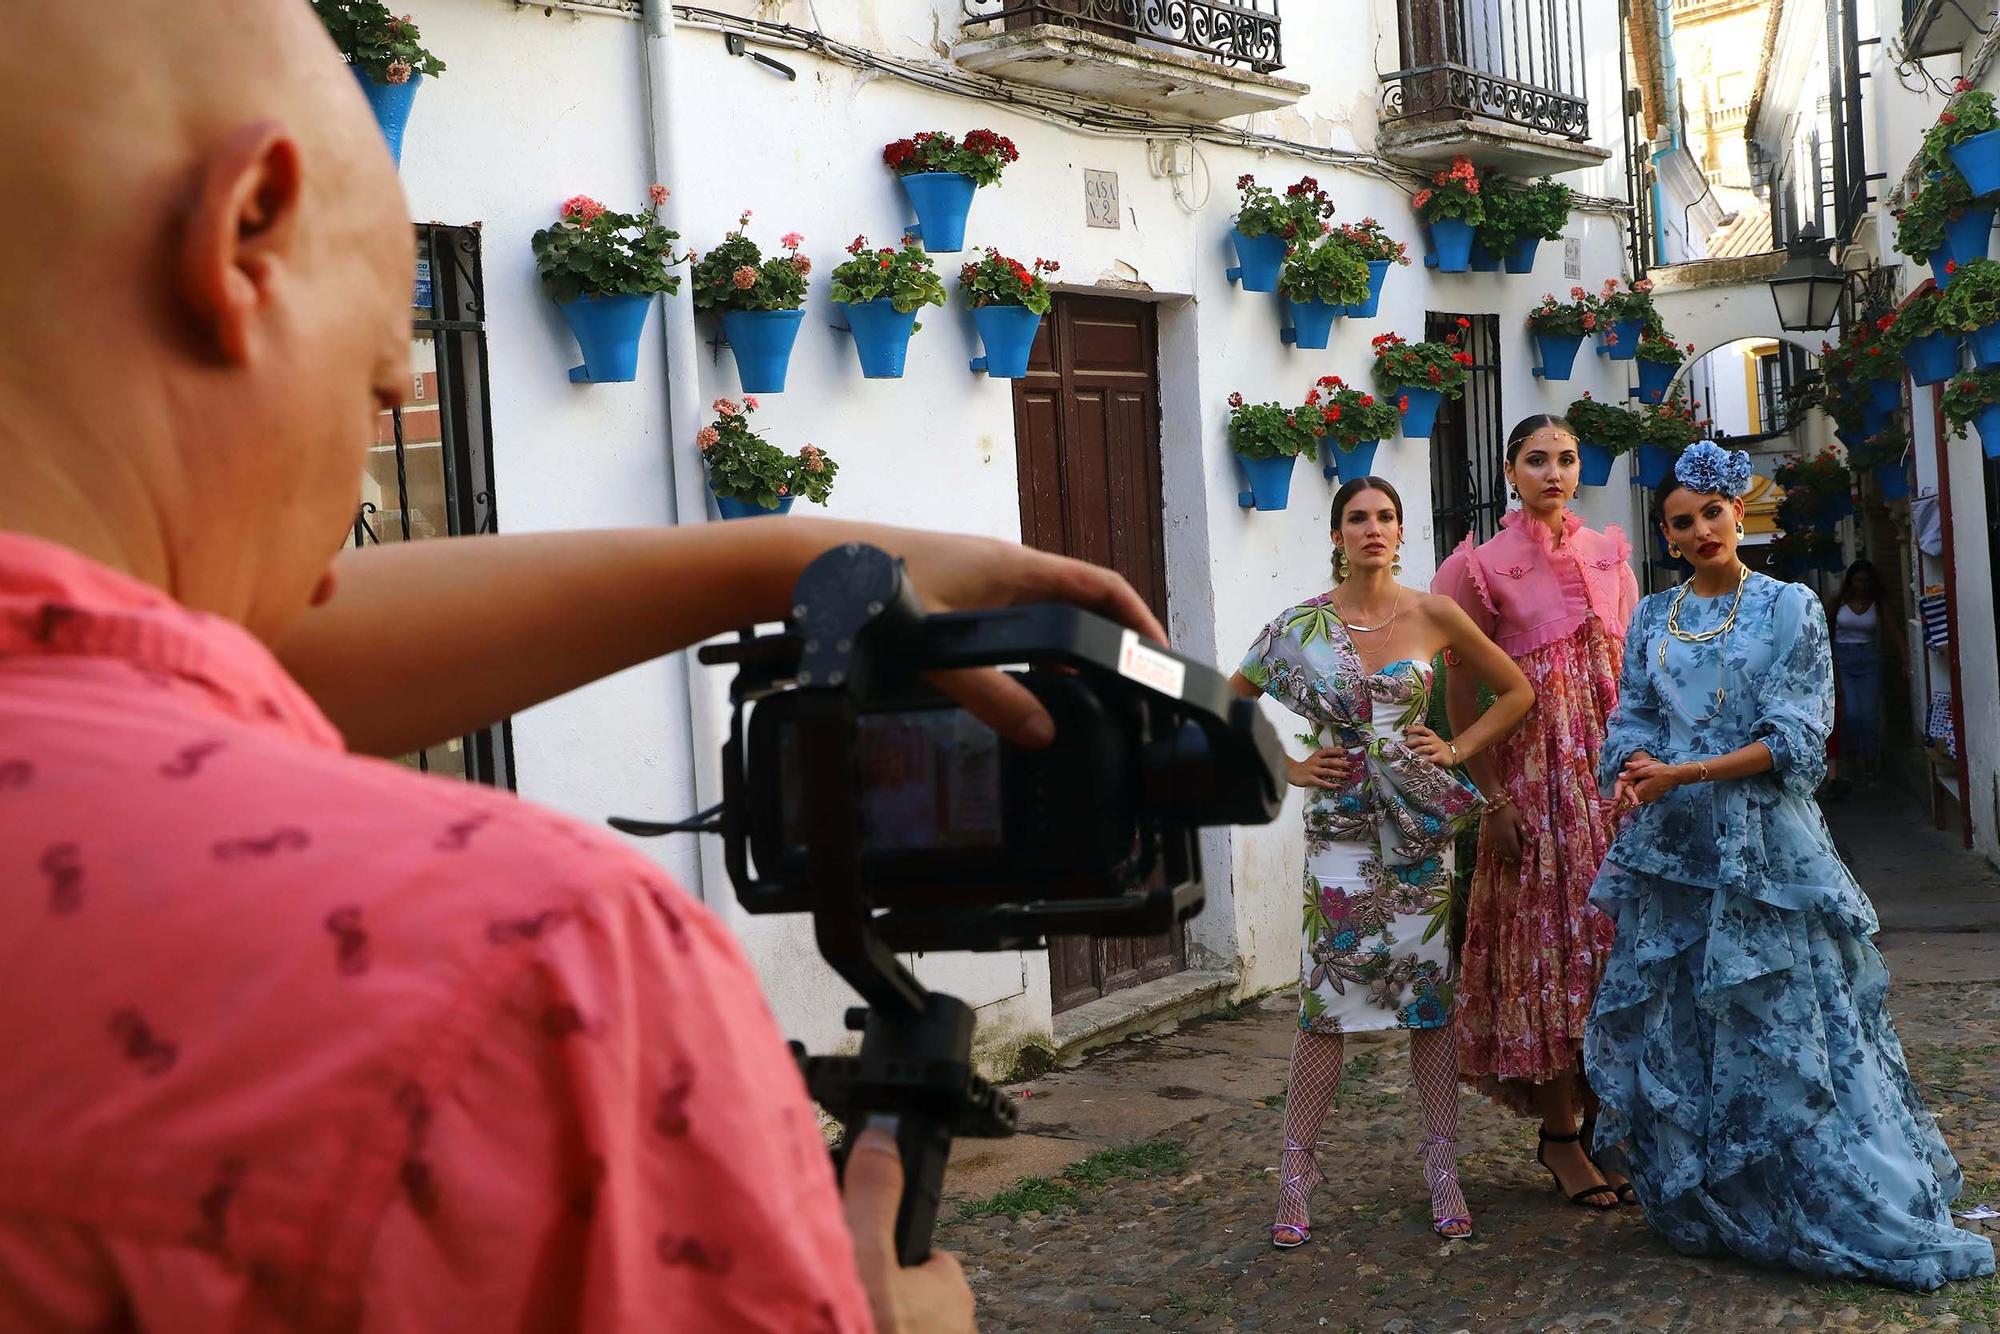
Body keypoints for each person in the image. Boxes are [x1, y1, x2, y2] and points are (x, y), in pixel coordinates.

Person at [0, 4, 1172, 1329]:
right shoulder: (526, 974)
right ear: (247, 233)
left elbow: (180, 660)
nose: (354, 470)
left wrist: (781, 557)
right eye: (385, 387)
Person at [1584, 443, 1995, 1291]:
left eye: (1709, 513)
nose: (1698, 530)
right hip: (1674, 852)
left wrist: (1685, 771)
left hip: (1765, 850)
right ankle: (1718, 1195)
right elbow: (1632, 712)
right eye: (1679, 521)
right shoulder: (1653, 617)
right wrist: (1630, 766)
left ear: (1740, 512)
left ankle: (1812, 1191)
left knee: (1783, 1022)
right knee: (1688, 1017)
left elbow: (1797, 739)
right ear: (1664, 535)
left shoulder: (1790, 607)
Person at [1233, 478, 1535, 1248]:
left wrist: (1459, 749)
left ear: (1402, 533)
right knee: (1323, 1008)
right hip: (1339, 834)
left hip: (1420, 835)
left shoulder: (1433, 612)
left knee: (1427, 1006)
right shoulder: (1299, 626)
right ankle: (1296, 1173)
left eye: (1386, 517)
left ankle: (1443, 1168)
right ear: (1336, 534)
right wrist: (1290, 767)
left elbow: (1515, 690)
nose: (1374, 528)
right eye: (1358, 518)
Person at [1432, 415, 1640, 1212]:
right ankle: (1558, 1136)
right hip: (1535, 791)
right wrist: (1490, 800)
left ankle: (1597, 1125)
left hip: (1610, 785)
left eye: (1567, 459)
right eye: (1536, 460)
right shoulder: (1481, 569)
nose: (1554, 472)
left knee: (1610, 951)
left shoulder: (1609, 554)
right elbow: (1459, 696)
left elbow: (1629, 673)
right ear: (1510, 471)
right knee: (1547, 958)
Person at [1827, 558, 1903, 790]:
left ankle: (1870, 766)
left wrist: (1906, 660)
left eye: (1867, 581)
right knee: (1851, 715)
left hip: (1869, 659)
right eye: (1859, 580)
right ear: (1850, 581)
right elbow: (1825, 634)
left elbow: (1893, 631)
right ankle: (1850, 763)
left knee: (1869, 716)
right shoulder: (1838, 602)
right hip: (1843, 660)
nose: (1863, 585)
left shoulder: (1877, 603)